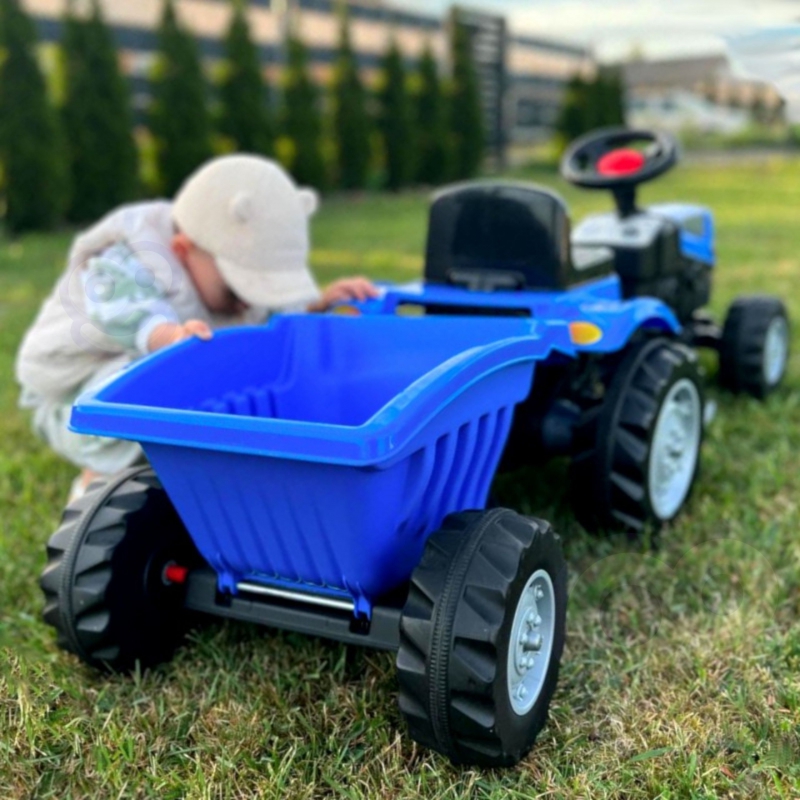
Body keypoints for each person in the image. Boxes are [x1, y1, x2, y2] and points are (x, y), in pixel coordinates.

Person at [15, 154, 378, 501]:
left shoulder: (220, 276)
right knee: (154, 382)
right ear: (183, 248)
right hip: (71, 399)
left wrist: (313, 305)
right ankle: (97, 482)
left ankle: (181, 465)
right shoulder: (132, 256)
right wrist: (169, 337)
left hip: (142, 373)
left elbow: (269, 315)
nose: (247, 303)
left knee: (225, 373)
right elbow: (128, 313)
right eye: (238, 290)